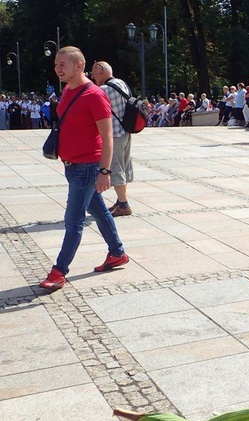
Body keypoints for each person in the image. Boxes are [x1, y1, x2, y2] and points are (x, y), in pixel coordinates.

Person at [40, 46, 129, 291]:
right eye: (56, 64)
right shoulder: (68, 90)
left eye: (62, 65)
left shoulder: (95, 95)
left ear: (79, 66)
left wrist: (104, 171)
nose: (58, 69)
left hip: (88, 167)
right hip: (72, 166)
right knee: (99, 211)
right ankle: (117, 252)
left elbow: (107, 136)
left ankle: (59, 271)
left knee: (73, 220)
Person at [91, 61, 135, 217]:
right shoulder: (121, 83)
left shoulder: (104, 89)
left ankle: (124, 205)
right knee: (123, 165)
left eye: (93, 73)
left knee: (116, 169)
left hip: (115, 134)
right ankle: (119, 200)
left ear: (101, 71)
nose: (93, 77)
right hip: (126, 131)